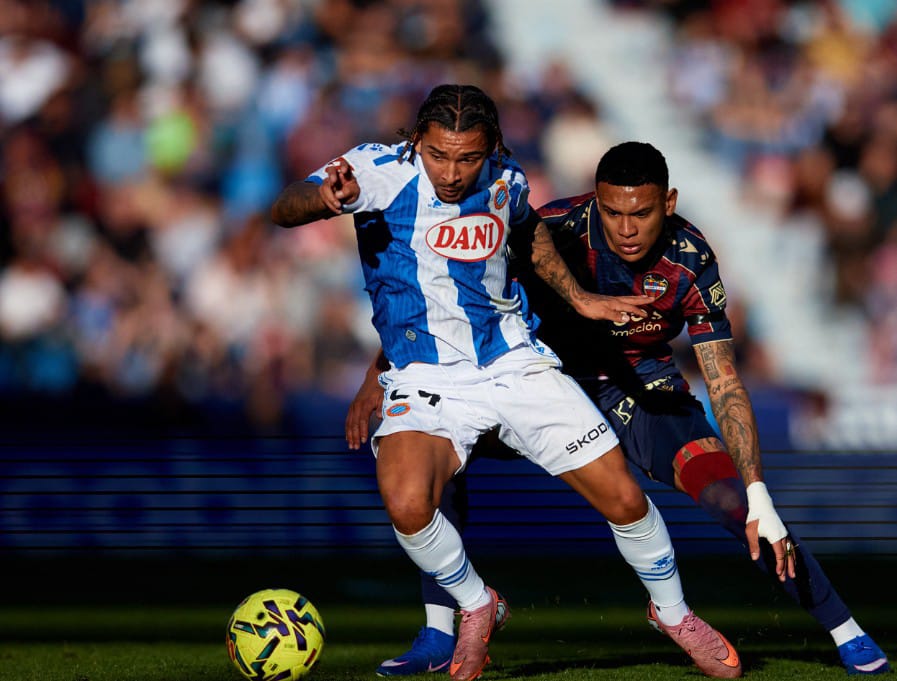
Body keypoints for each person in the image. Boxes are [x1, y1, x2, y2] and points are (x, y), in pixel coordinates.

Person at [347, 141, 891, 677]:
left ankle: (845, 631)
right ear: (595, 200)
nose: (626, 228)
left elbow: (723, 380)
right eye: (612, 212)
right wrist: (379, 375)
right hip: (532, 385)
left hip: (640, 390)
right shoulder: (551, 230)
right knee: (435, 460)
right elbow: (446, 300)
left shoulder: (690, 258)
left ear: (668, 203)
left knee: (738, 505)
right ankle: (440, 633)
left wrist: (758, 493)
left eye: (641, 213)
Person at [273, 86, 744, 681]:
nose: (451, 172)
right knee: (408, 503)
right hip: (425, 375)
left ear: (491, 147)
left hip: (514, 363)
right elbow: (283, 207)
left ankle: (674, 615)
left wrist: (580, 297)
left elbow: (529, 232)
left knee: (624, 499)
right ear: (417, 141)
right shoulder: (375, 170)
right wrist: (322, 199)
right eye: (439, 155)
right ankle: (477, 603)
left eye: (467, 157)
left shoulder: (506, 178)